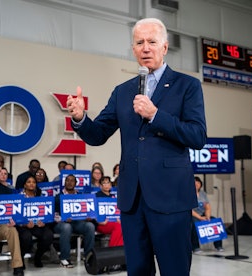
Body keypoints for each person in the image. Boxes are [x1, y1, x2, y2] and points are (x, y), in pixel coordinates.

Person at [66, 17, 206, 275]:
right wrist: (79, 118)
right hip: (132, 199)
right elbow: (98, 134)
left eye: (152, 42)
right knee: (138, 270)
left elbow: (197, 135)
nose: (145, 48)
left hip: (171, 197)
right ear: (133, 50)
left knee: (174, 269)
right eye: (139, 43)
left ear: (164, 47)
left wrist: (155, 115)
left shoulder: (187, 86)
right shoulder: (122, 91)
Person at [53, 174, 95, 268]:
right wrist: (62, 219)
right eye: (67, 180)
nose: (70, 182)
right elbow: (53, 214)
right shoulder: (58, 197)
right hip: (61, 224)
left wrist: (88, 216)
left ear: (76, 183)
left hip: (77, 223)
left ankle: (88, 256)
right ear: (64, 183)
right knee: (67, 227)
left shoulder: (81, 196)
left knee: (90, 226)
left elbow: (85, 211)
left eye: (72, 181)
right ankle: (64, 258)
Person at [17, 175, 54, 268]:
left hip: (37, 225)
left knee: (48, 235)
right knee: (26, 237)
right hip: (23, 225)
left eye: (33, 182)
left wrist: (44, 221)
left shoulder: (40, 197)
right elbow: (16, 215)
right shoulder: (18, 197)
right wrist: (24, 224)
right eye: (29, 182)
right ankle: (20, 259)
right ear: (25, 185)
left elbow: (46, 213)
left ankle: (38, 257)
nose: (31, 184)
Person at [191, 176, 224, 253]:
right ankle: (195, 247)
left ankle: (218, 246)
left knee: (214, 220)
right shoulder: (188, 194)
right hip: (192, 215)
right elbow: (189, 210)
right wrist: (200, 217)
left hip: (202, 214)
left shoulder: (203, 193)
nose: (196, 184)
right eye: (194, 182)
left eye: (198, 182)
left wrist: (207, 216)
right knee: (195, 223)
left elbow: (207, 207)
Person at [94, 176, 123, 247]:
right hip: (102, 223)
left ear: (110, 185)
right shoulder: (96, 196)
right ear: (100, 186)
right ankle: (113, 249)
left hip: (114, 221)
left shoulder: (114, 197)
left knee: (122, 225)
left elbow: (117, 211)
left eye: (108, 183)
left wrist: (119, 219)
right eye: (104, 183)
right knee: (118, 227)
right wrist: (98, 221)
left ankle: (121, 250)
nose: (107, 185)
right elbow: (93, 213)